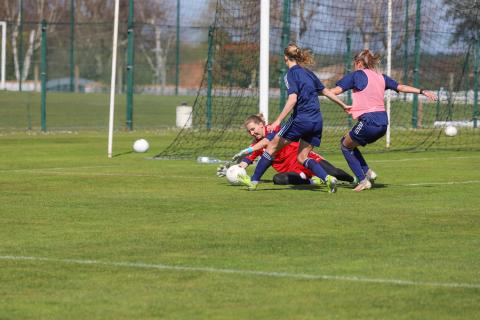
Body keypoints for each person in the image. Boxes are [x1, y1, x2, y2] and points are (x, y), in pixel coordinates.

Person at [237, 43, 351, 192]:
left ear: (285, 58)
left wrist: (278, 120)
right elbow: (326, 91)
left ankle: (253, 182)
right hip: (317, 120)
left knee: (271, 147)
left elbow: (292, 99)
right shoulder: (308, 72)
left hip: (301, 119)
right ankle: (327, 179)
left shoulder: (290, 74)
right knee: (303, 157)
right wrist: (343, 105)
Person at [331, 49, 437, 191]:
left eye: (355, 64)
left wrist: (317, 91)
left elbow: (335, 91)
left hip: (369, 121)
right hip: (383, 123)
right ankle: (369, 173)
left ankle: (363, 180)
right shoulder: (381, 77)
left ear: (359, 63)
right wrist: (422, 91)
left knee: (344, 145)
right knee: (350, 142)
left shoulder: (356, 75)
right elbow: (401, 87)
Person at [217, 114, 355, 185]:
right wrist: (233, 170)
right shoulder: (256, 144)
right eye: (249, 131)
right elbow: (246, 162)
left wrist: (248, 149)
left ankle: (355, 180)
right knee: (278, 179)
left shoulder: (275, 128)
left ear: (261, 124)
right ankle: (312, 181)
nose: (252, 133)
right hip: (294, 172)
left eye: (253, 129)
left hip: (305, 159)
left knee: (334, 172)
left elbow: (269, 140)